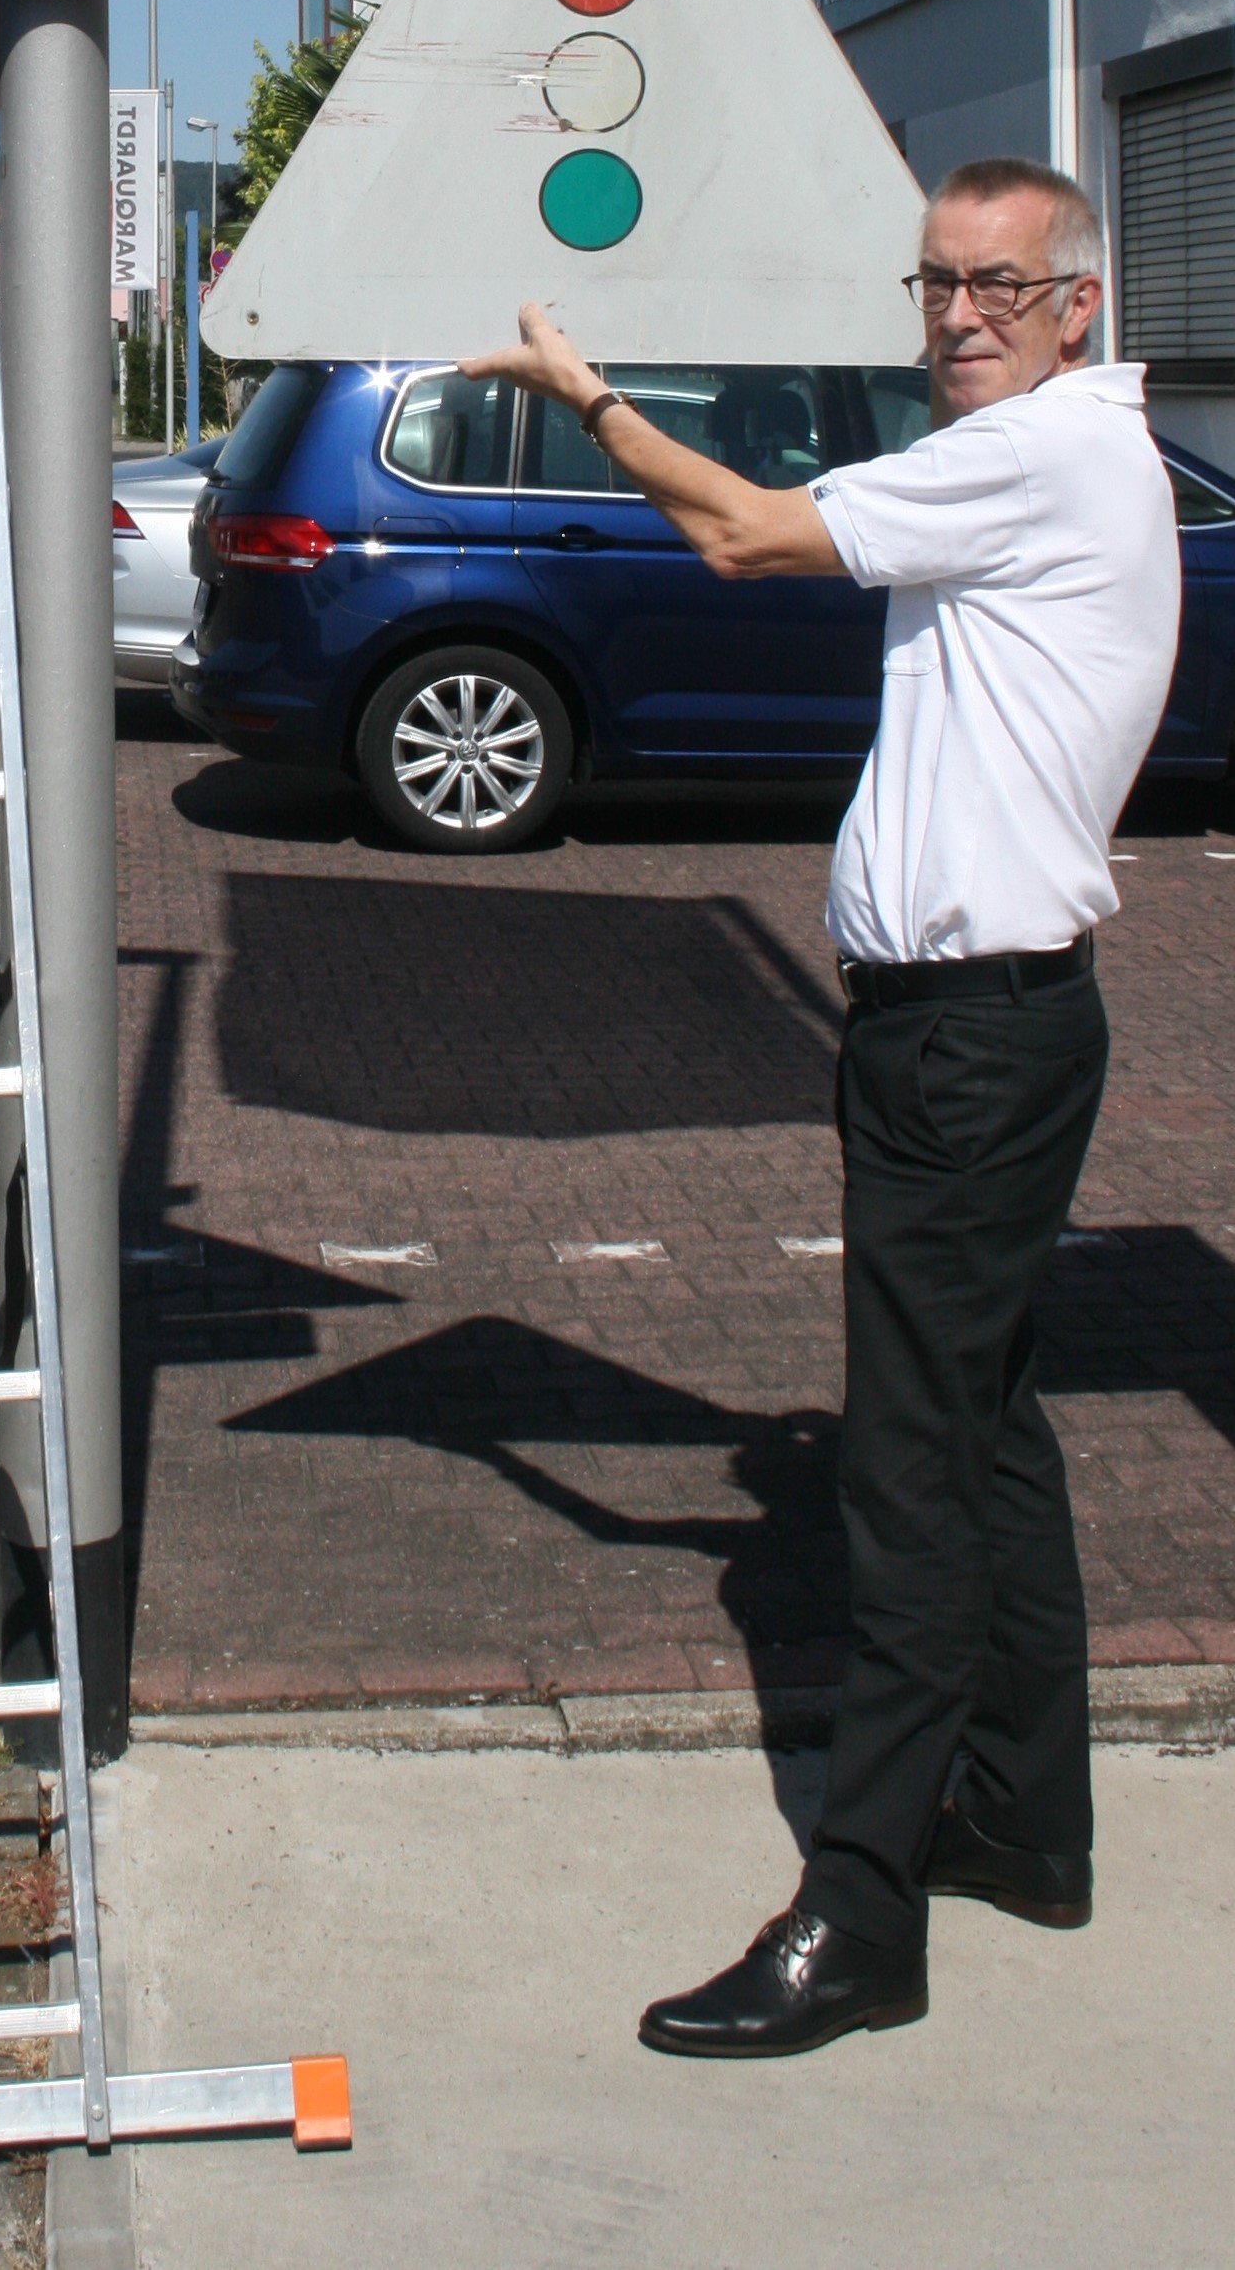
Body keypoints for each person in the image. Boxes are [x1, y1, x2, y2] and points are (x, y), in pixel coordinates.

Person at [466, 156, 1179, 2058]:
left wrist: (580, 388)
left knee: (907, 1473)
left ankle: (858, 1910)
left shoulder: (1039, 455)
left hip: (972, 1040)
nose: (957, 316)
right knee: (986, 1426)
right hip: (981, 1028)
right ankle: (1024, 1822)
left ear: (1077, 305)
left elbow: (737, 535)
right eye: (936, 282)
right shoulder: (1053, 454)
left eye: (1000, 287)